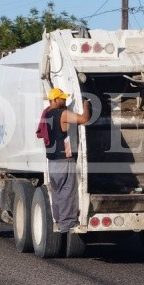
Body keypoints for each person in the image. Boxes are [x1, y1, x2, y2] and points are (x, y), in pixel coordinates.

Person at [41, 87, 91, 232]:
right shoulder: (62, 114)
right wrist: (86, 106)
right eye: (62, 98)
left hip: (52, 161)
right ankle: (67, 224)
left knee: (57, 192)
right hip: (64, 160)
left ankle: (59, 220)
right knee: (67, 192)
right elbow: (84, 119)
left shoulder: (47, 114)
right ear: (55, 99)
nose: (65, 100)